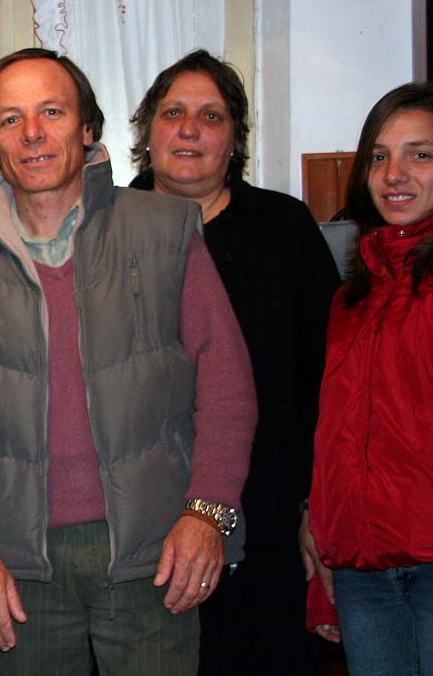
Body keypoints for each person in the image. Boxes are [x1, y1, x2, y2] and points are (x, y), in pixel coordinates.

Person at [0, 47, 257, 676]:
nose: (32, 133)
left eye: (52, 111)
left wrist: (207, 512)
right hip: (18, 567)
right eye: (10, 120)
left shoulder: (165, 229)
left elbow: (227, 388)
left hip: (155, 554)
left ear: (87, 128)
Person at [129, 49, 341, 675]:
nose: (190, 130)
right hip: (135, 530)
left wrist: (316, 506)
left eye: (211, 116)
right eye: (173, 113)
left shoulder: (284, 228)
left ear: (235, 139)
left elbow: (327, 378)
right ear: (147, 132)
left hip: (270, 519)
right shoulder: (103, 229)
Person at [301, 82, 433, 675]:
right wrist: (323, 533)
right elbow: (338, 434)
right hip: (362, 572)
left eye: (420, 154)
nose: (394, 174)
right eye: (379, 156)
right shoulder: (351, 298)